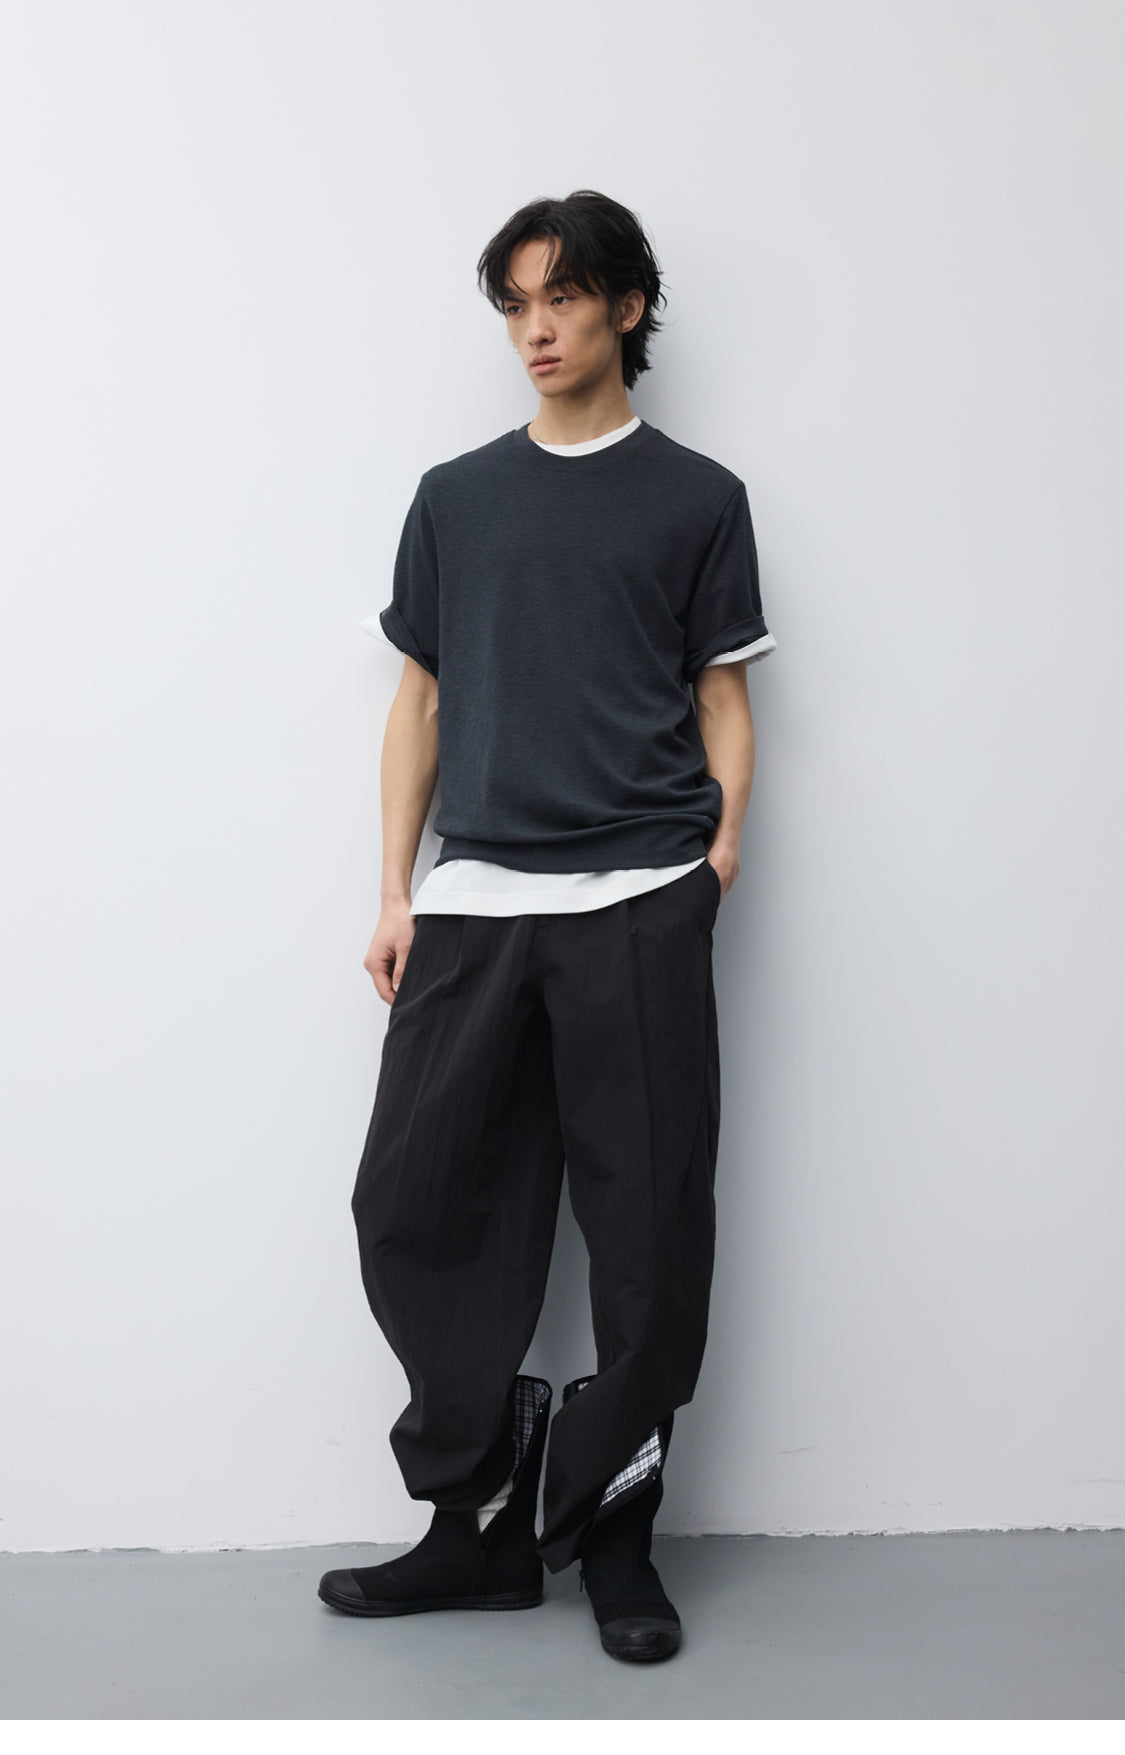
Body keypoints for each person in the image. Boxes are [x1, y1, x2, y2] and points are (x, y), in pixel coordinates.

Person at [318, 189, 776, 1662]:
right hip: (476, 900)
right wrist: (395, 890)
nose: (536, 327)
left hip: (639, 892)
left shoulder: (698, 498)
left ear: (626, 308)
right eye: (516, 302)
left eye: (564, 297)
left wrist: (713, 858)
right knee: (415, 1200)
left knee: (647, 1226)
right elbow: (419, 704)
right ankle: (478, 1523)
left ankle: (614, 1531)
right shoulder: (455, 498)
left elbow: (722, 699)